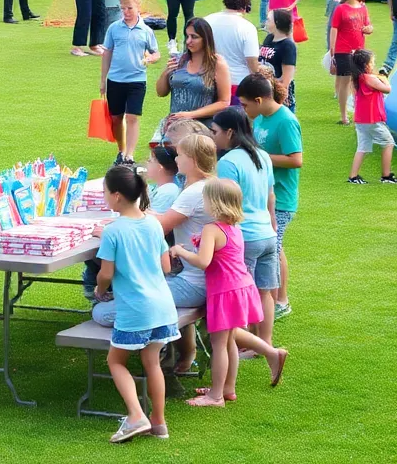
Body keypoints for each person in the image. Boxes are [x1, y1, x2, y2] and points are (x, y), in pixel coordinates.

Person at [170, 178, 288, 408]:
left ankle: (215, 396)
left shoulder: (211, 229)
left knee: (219, 344)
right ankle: (226, 388)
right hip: (240, 287)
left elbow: (204, 262)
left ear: (214, 203)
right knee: (229, 341)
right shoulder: (234, 228)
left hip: (224, 291)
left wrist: (180, 252)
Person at [94, 167, 178, 443]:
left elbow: (106, 273)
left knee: (115, 360)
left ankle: (135, 415)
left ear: (116, 196)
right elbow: (165, 266)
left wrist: (100, 289)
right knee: (152, 361)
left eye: (105, 192)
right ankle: (159, 422)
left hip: (136, 309)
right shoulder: (154, 224)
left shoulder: (113, 231)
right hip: (163, 306)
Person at [144, 133, 218, 374]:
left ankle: (153, 359)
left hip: (194, 284)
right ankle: (183, 355)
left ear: (193, 160)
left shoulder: (193, 192)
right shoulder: (210, 185)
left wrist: (128, 214)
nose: (176, 159)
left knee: (110, 309)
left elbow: (161, 226)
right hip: (204, 278)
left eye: (180, 155)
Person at [211, 108, 278, 352]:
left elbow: (227, 204)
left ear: (229, 132)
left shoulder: (228, 162)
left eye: (215, 132)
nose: (213, 136)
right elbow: (271, 195)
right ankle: (265, 342)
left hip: (246, 237)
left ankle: (246, 345)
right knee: (265, 292)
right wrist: (272, 224)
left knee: (240, 295)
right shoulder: (263, 155)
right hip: (267, 235)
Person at [239, 73, 302, 320]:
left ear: (259, 99)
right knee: (275, 248)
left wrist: (257, 156)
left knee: (271, 251)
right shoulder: (262, 118)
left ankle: (276, 302)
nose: (244, 110)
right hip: (264, 195)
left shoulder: (285, 120)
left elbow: (296, 159)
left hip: (282, 198)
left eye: (245, 105)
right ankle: (280, 300)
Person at [100, 0, 161, 166]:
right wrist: (103, 80)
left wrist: (150, 58)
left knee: (132, 117)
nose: (126, 12)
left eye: (129, 8)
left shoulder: (146, 30)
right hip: (115, 80)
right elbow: (107, 53)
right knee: (116, 118)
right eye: (123, 9)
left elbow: (156, 52)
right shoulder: (114, 28)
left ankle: (129, 155)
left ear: (138, 8)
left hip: (137, 80)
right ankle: (121, 150)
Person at [155, 17, 231, 137]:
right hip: (175, 127)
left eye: (194, 37)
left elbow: (224, 102)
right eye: (187, 36)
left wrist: (191, 114)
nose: (188, 41)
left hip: (201, 130)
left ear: (205, 39)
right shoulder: (180, 60)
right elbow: (161, 92)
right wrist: (166, 72)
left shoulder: (217, 63)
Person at [345, 50, 397, 184]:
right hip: (372, 119)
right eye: (372, 62)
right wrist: (384, 78)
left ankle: (353, 176)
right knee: (388, 143)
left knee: (362, 147)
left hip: (361, 119)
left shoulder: (357, 78)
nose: (373, 64)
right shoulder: (368, 78)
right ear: (365, 65)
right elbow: (387, 89)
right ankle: (386, 175)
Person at [206, 0, 261, 100]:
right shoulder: (247, 27)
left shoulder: (206, 21)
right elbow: (252, 61)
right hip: (237, 84)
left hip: (208, 82)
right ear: (244, 7)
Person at [330, 0, 372, 125]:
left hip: (360, 50)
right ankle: (344, 116)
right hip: (343, 50)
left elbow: (368, 25)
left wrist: (369, 29)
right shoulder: (341, 9)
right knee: (345, 81)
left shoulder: (363, 8)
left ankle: (357, 112)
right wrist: (332, 50)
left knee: (359, 82)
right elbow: (334, 29)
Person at [260, 9, 297, 111]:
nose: (266, 22)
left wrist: (277, 92)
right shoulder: (269, 38)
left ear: (276, 23)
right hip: (265, 90)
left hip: (278, 95)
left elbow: (286, 79)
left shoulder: (287, 45)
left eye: (268, 20)